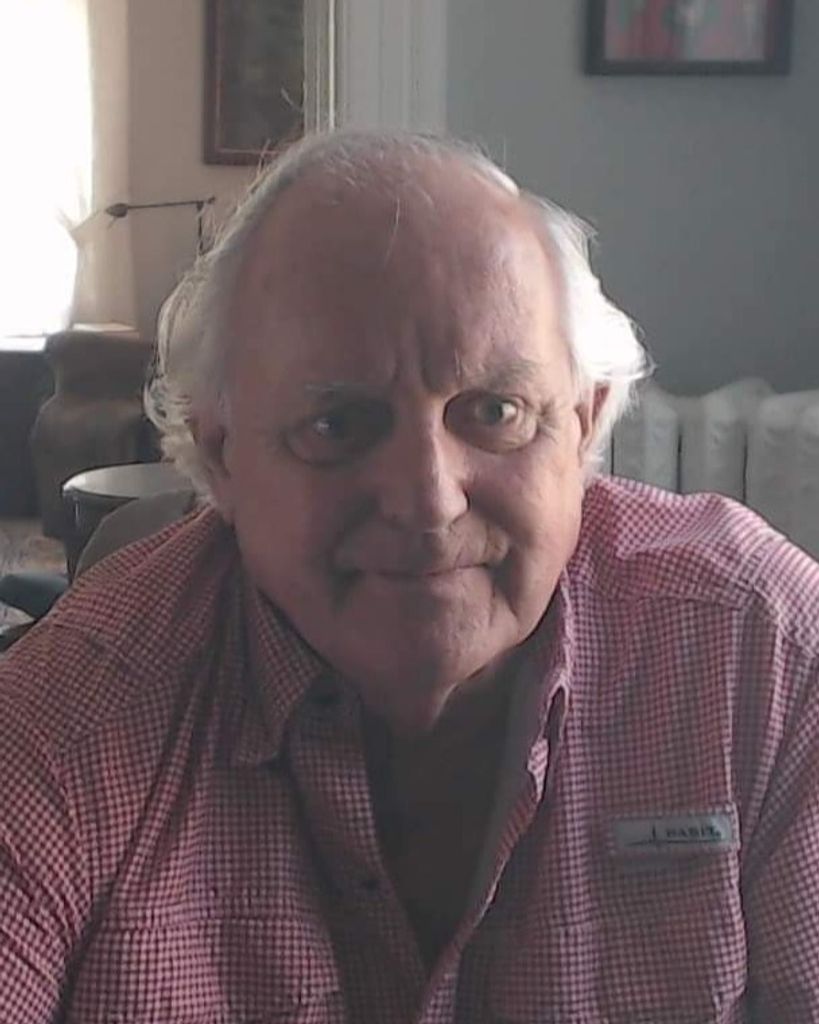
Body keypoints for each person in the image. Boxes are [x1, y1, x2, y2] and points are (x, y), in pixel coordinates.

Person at [1, 130, 817, 1023]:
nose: (428, 501)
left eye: (495, 411)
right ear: (222, 458)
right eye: (337, 425)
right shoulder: (67, 715)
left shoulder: (760, 651)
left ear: (583, 427)